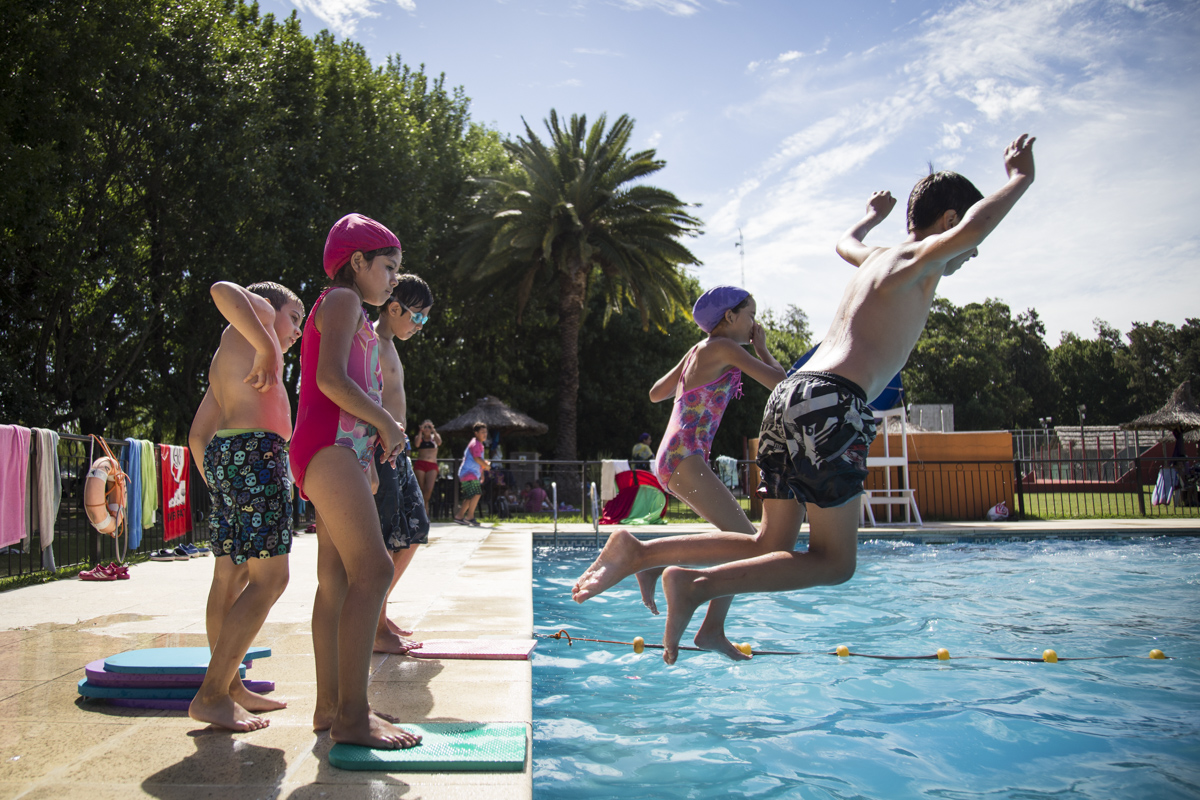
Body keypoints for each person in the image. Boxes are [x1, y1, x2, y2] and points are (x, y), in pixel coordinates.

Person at [574, 134, 1037, 665]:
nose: (970, 252)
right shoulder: (917, 259)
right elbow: (975, 227)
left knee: (770, 543)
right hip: (833, 402)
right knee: (835, 562)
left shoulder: (878, 260)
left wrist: (870, 218)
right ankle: (696, 586)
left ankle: (644, 552)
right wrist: (1019, 178)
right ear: (950, 220)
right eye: (965, 239)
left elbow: (845, 243)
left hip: (790, 395)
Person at [289, 213, 421, 749]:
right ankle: (352, 714)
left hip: (338, 452)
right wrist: (386, 423)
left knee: (338, 582)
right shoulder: (342, 298)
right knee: (375, 569)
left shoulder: (354, 312)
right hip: (329, 449)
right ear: (358, 262)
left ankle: (332, 707)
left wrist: (368, 449)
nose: (394, 279)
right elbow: (329, 380)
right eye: (388, 267)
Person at [624, 285, 786, 657]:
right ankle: (699, 617)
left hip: (674, 455)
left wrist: (690, 370)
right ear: (730, 316)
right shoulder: (726, 348)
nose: (754, 324)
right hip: (685, 456)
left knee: (739, 542)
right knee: (747, 542)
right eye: (750, 315)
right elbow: (781, 384)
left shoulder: (700, 349)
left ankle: (658, 569)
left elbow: (656, 392)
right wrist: (763, 350)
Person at [186, 280, 303, 732]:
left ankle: (231, 688)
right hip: (256, 455)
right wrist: (268, 344)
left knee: (229, 578)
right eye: (295, 317)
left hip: (233, 459)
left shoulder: (230, 362)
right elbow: (221, 289)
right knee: (271, 578)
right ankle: (212, 693)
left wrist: (222, 481)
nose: (297, 330)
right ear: (269, 306)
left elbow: (198, 435)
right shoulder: (260, 322)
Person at [371, 275, 434, 655]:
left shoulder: (390, 344)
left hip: (399, 451)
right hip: (378, 451)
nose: (420, 326)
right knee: (384, 537)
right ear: (394, 308)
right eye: (418, 317)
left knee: (415, 529)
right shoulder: (368, 341)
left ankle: (376, 609)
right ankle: (375, 626)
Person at [453, 423, 490, 526]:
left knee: (471, 495)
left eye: (486, 432)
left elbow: (478, 461)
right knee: (476, 493)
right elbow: (477, 458)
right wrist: (486, 466)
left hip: (470, 473)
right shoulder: (475, 444)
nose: (485, 434)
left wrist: (482, 473)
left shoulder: (479, 444)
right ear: (476, 433)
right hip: (468, 472)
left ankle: (459, 516)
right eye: (482, 432)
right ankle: (469, 517)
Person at [412, 419, 442, 510]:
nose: (427, 429)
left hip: (432, 465)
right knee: (421, 488)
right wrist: (421, 431)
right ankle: (423, 509)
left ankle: (424, 505)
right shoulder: (419, 437)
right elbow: (417, 445)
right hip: (420, 464)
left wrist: (434, 430)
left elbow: (439, 442)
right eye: (425, 427)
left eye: (429, 427)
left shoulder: (434, 438)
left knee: (429, 489)